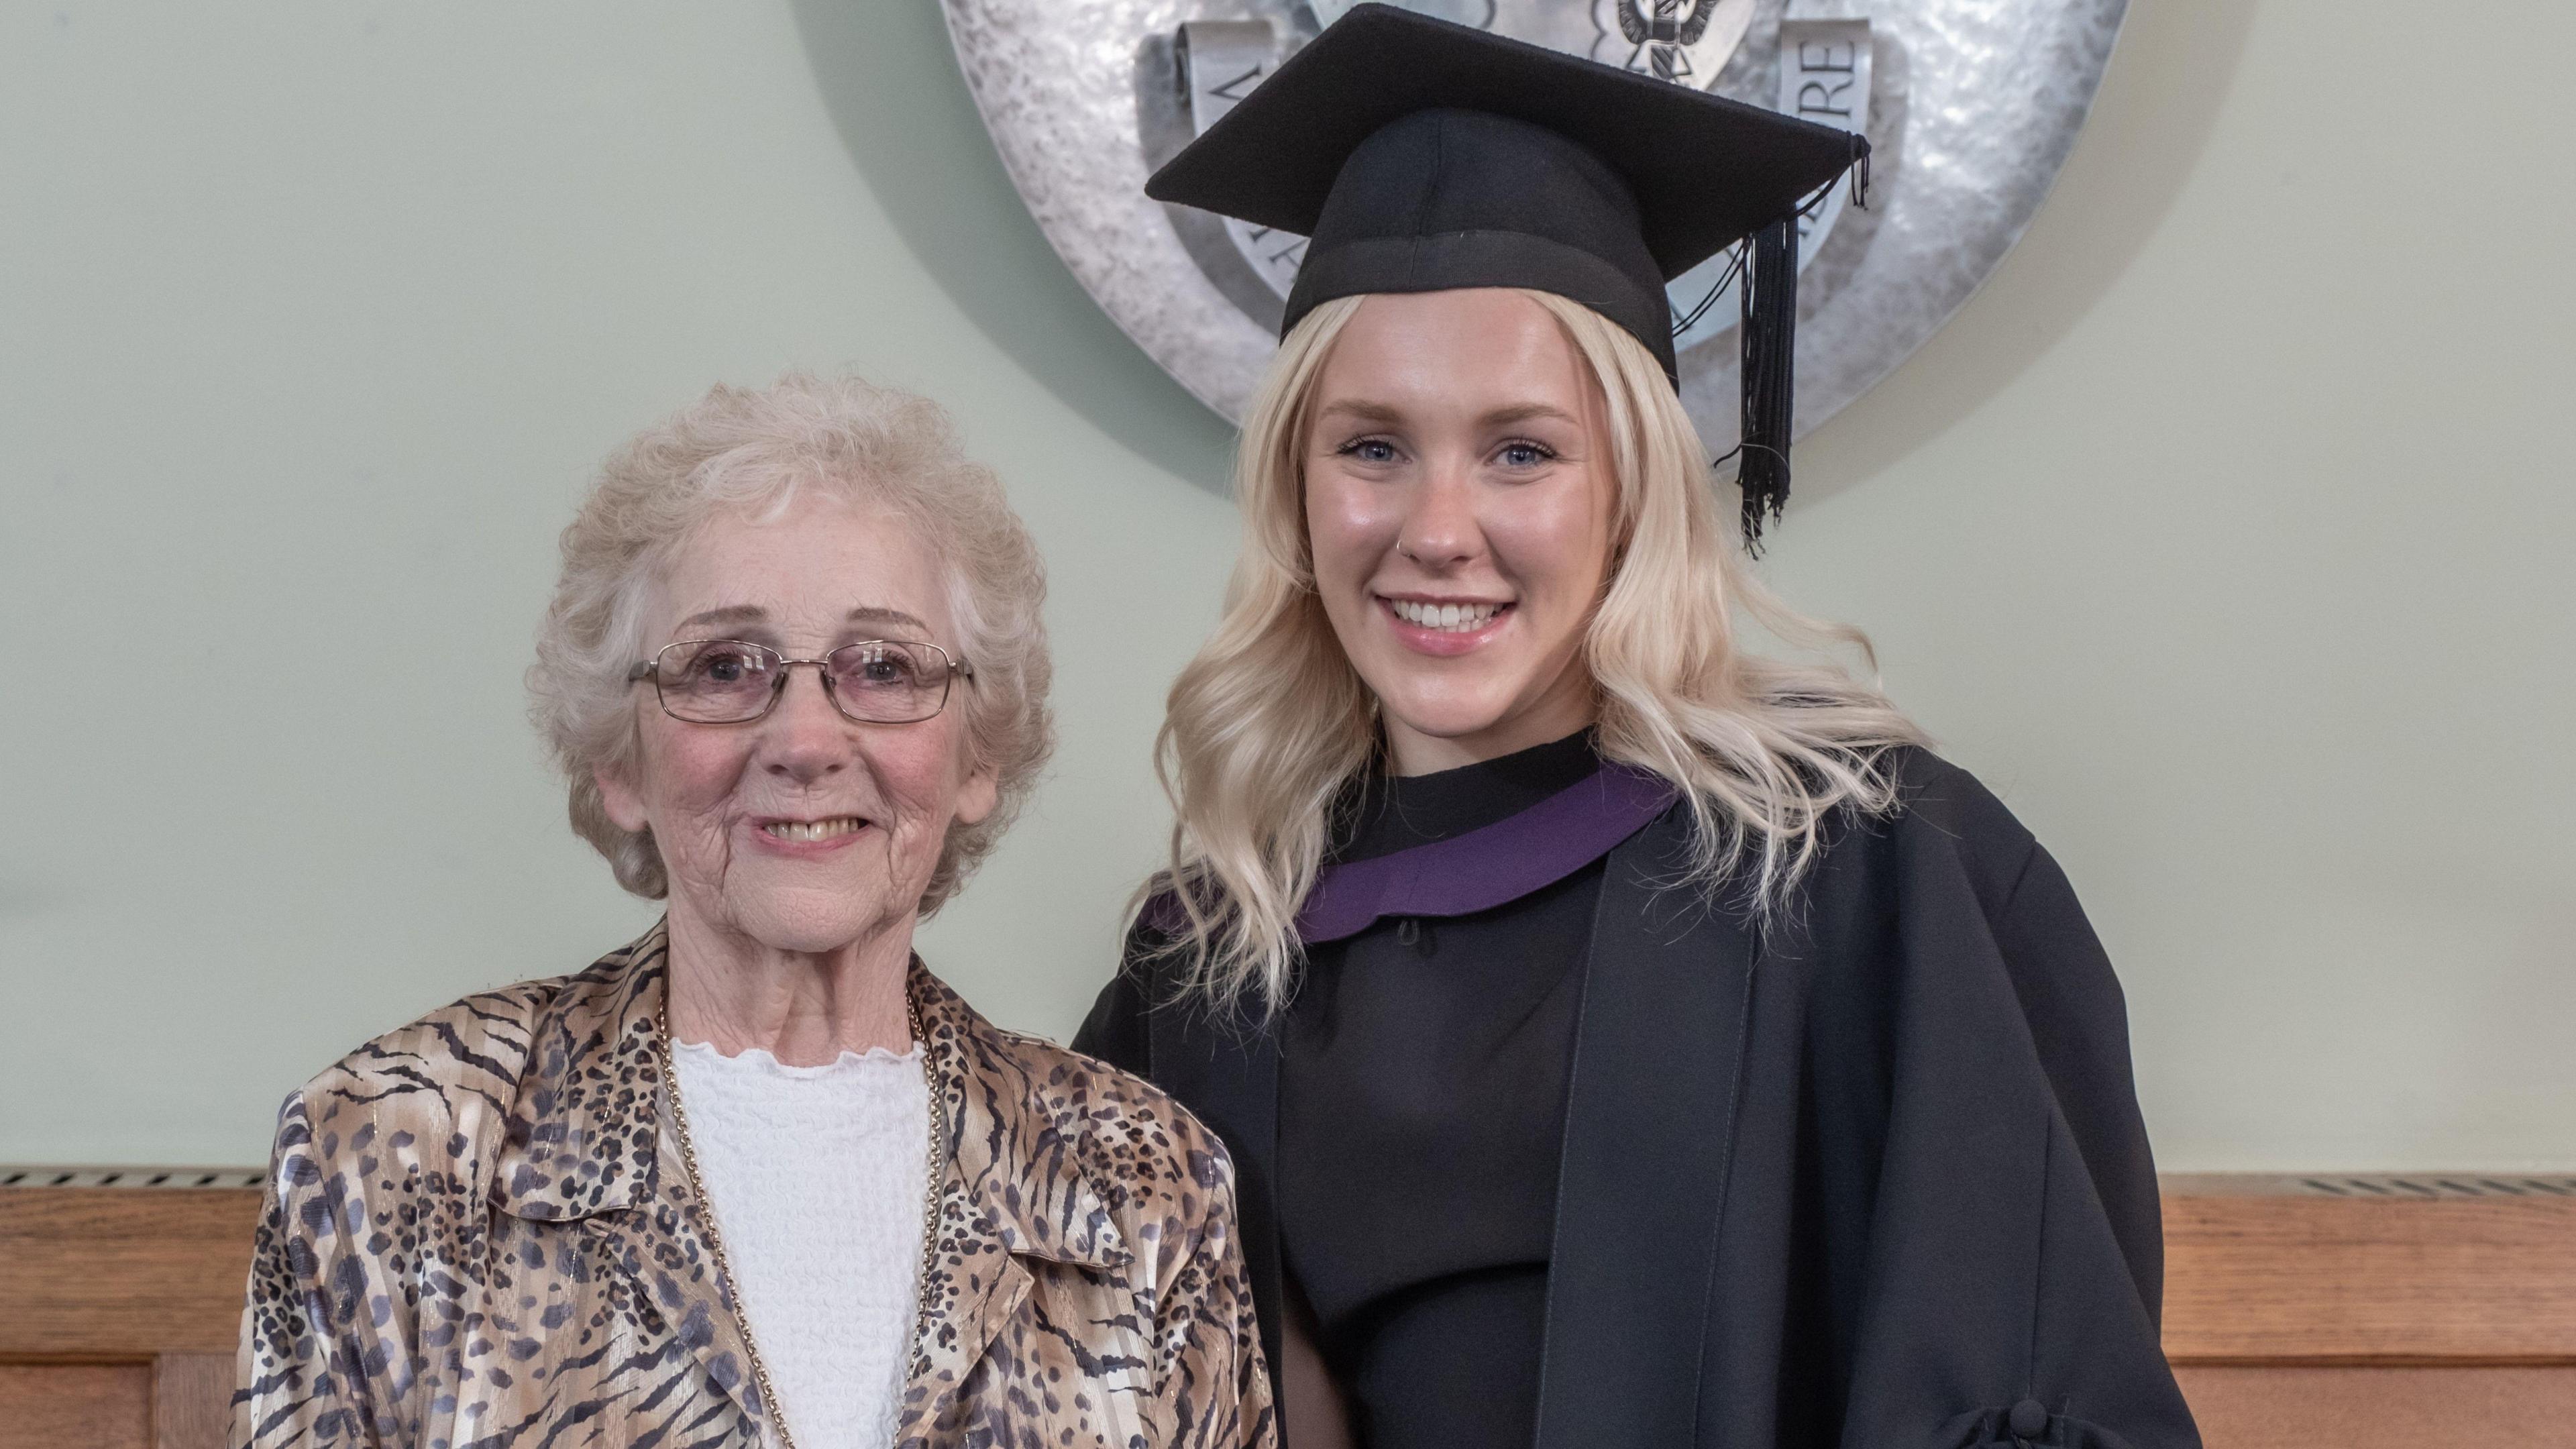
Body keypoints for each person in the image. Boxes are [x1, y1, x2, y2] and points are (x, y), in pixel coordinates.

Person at [1075, 8, 2198, 1448]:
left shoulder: (1867, 878)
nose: (1437, 532)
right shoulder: (1210, 963)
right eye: (1371, 447)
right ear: (1296, 488)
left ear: (1632, 489)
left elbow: (2029, 1384)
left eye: (1522, 452)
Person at [234, 375, 1275, 1449]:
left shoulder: (1145, 1180)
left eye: (883, 666)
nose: (807, 740)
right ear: (619, 760)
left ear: (978, 755)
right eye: (725, 667)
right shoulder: (392, 1149)